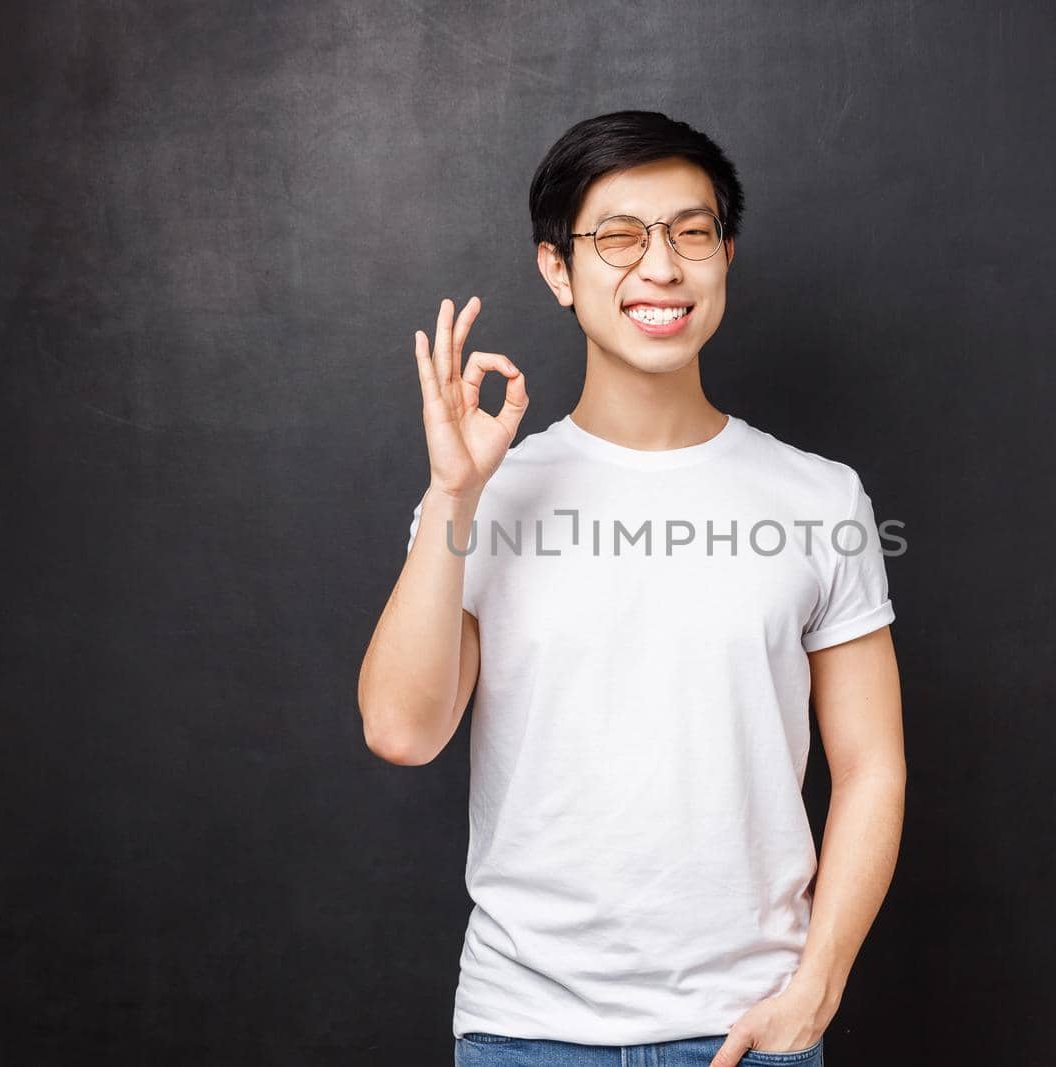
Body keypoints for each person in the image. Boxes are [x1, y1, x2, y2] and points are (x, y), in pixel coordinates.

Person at [356, 110, 905, 1067]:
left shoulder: (820, 497)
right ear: (557, 268)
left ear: (725, 255)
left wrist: (813, 992)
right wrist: (455, 492)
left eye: (690, 234)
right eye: (617, 237)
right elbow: (404, 730)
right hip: (525, 1033)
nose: (660, 267)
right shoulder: (490, 492)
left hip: (750, 1033)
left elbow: (871, 767)